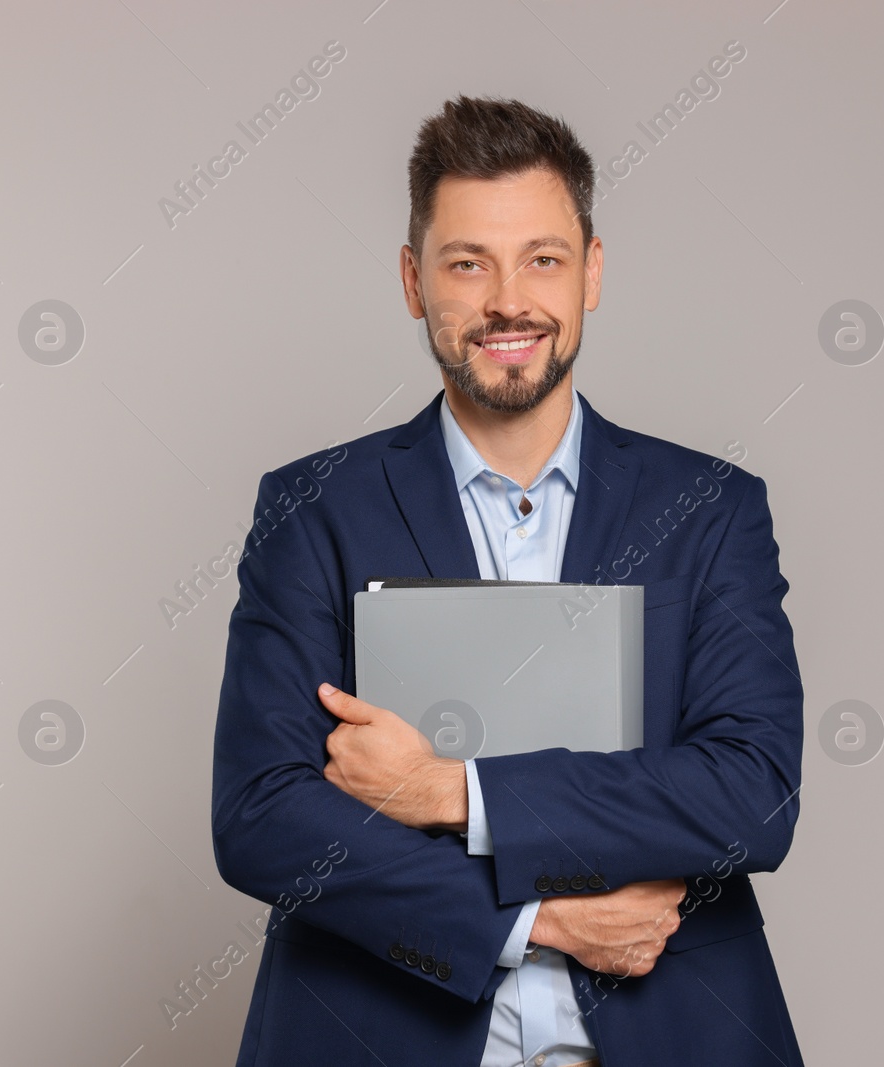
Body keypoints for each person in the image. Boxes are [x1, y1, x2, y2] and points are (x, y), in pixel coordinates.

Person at [210, 95, 805, 1066]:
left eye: (541, 257)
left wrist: (452, 788)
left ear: (592, 272)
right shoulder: (312, 507)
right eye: (465, 263)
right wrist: (538, 921)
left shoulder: (710, 509)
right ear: (412, 281)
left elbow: (749, 794)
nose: (506, 301)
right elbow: (264, 815)